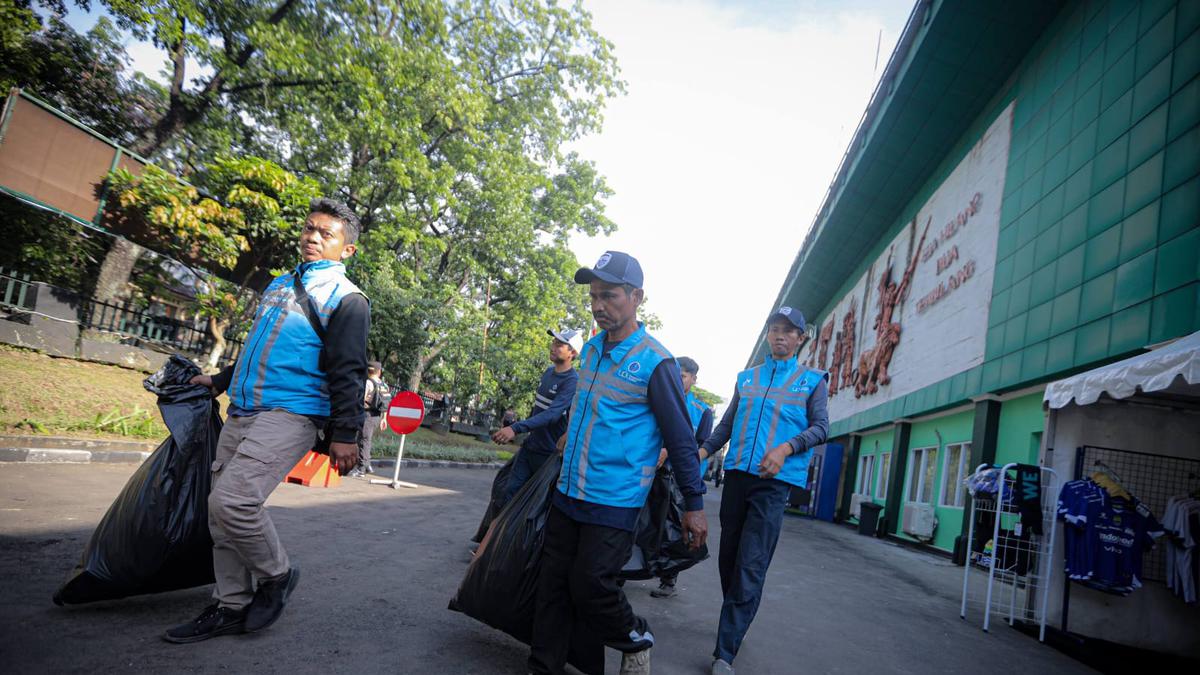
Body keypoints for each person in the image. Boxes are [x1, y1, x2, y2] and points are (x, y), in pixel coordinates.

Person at [163, 198, 369, 644]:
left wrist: (347, 434)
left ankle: (277, 575)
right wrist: (217, 381)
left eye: (325, 233)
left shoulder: (347, 299)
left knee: (232, 502)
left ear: (346, 250)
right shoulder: (280, 284)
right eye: (309, 228)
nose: (312, 237)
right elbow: (259, 346)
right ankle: (230, 605)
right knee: (219, 515)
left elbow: (349, 368)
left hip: (292, 412)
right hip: (244, 408)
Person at [528, 251, 708, 675]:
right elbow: (590, 411)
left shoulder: (655, 361)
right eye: (593, 296)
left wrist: (696, 506)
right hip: (568, 489)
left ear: (636, 297)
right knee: (552, 585)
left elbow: (681, 439)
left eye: (608, 296)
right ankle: (543, 666)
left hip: (615, 499)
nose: (597, 305)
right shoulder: (589, 350)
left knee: (592, 585)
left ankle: (635, 636)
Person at [698, 306, 828, 675]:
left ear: (801, 338)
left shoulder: (812, 381)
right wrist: (702, 452)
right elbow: (727, 424)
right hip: (738, 477)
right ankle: (737, 620)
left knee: (751, 562)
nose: (780, 335)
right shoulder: (748, 378)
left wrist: (786, 449)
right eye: (775, 329)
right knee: (729, 560)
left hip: (774, 484)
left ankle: (724, 652)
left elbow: (821, 428)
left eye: (788, 331)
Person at [491, 328, 582, 507]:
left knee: (534, 506)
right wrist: (517, 428)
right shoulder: (548, 373)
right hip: (530, 447)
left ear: (572, 352)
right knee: (508, 494)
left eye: (560, 344)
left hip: (549, 454)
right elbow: (538, 411)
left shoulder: (572, 381)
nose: (553, 347)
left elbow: (551, 415)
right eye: (553, 342)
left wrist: (515, 428)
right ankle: (499, 534)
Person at [650, 355, 712, 599]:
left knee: (676, 527)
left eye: (683, 376)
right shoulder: (658, 399)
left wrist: (670, 453)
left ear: (693, 380)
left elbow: (700, 445)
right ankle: (629, 569)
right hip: (653, 471)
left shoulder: (701, 411)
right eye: (675, 375)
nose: (678, 380)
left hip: (681, 478)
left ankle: (669, 578)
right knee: (647, 521)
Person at [350, 361, 389, 477]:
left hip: (367, 414)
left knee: (363, 440)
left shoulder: (368, 383)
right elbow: (385, 403)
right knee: (367, 440)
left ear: (368, 371)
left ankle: (361, 469)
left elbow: (361, 400)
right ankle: (367, 465)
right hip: (377, 416)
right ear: (379, 371)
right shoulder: (384, 385)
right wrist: (384, 419)